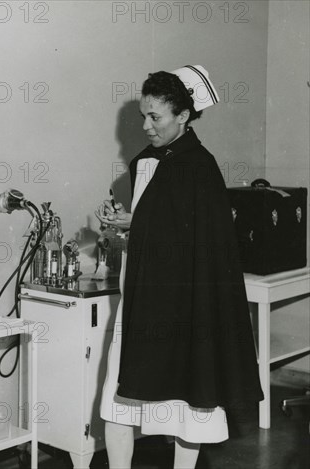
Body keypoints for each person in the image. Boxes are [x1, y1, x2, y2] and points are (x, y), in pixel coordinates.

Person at [97, 66, 263, 469]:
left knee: (188, 408)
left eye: (156, 117)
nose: (146, 126)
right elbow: (154, 225)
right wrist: (127, 221)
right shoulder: (145, 164)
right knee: (117, 405)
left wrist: (137, 221)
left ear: (184, 116)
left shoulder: (199, 168)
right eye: (143, 116)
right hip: (142, 303)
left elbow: (198, 244)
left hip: (184, 310)